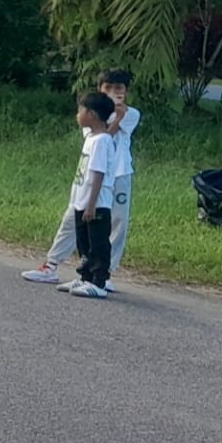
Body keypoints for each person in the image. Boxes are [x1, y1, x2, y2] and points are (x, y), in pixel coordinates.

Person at [22, 69, 140, 288]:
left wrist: (120, 114)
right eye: (107, 88)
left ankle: (105, 274)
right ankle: (51, 264)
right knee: (74, 217)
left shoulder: (131, 114)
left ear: (126, 92)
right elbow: (104, 136)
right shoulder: (92, 113)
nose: (113, 92)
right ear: (100, 89)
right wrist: (115, 117)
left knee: (117, 222)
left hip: (120, 173)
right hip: (91, 176)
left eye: (118, 88)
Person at [51, 92, 118, 299]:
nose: (77, 115)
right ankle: (85, 277)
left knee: (97, 243)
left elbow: (98, 173)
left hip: (96, 203)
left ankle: (99, 282)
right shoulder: (91, 138)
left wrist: (91, 204)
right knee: (84, 242)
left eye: (81, 110)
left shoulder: (102, 141)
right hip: (82, 201)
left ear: (92, 115)